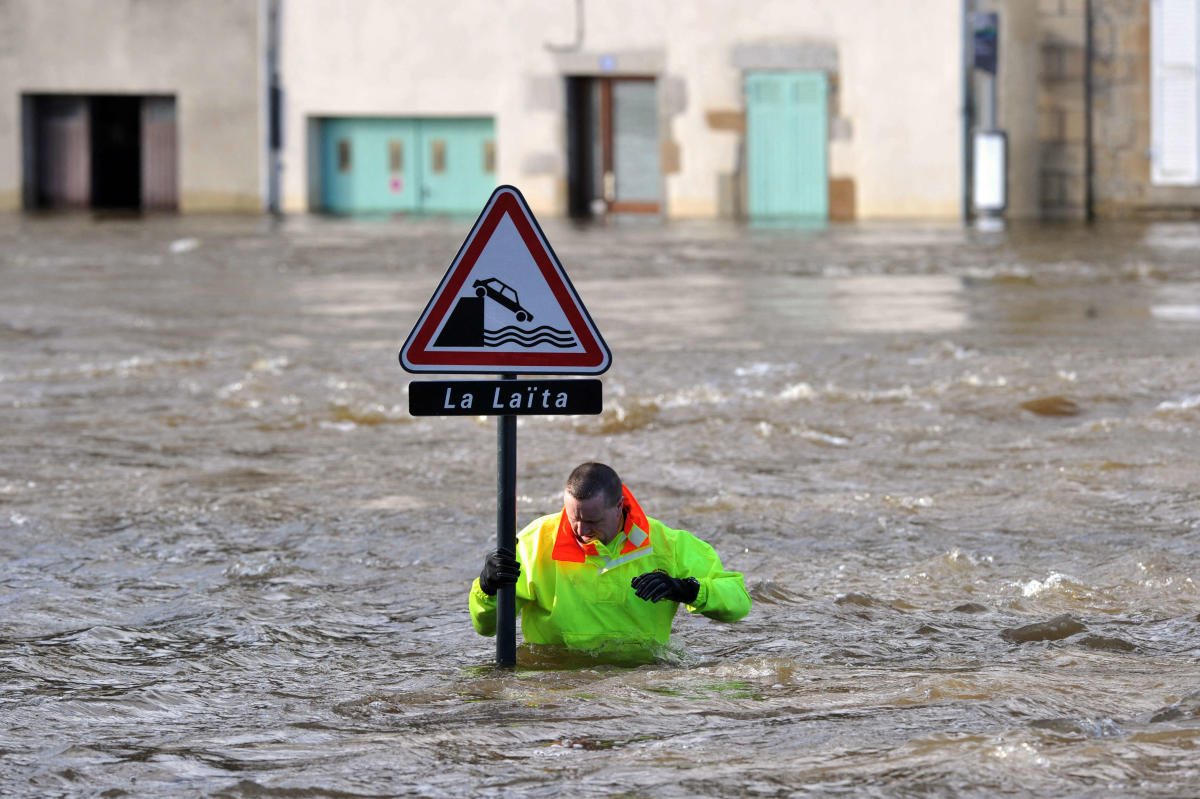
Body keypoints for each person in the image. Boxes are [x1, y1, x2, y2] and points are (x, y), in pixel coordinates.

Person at [469, 462, 751, 654]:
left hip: (641, 685)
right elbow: (486, 628)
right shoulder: (534, 542)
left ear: (619, 507)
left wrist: (686, 589)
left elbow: (738, 602)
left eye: (592, 520)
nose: (580, 530)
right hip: (557, 686)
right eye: (573, 518)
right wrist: (487, 588)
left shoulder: (668, 544)